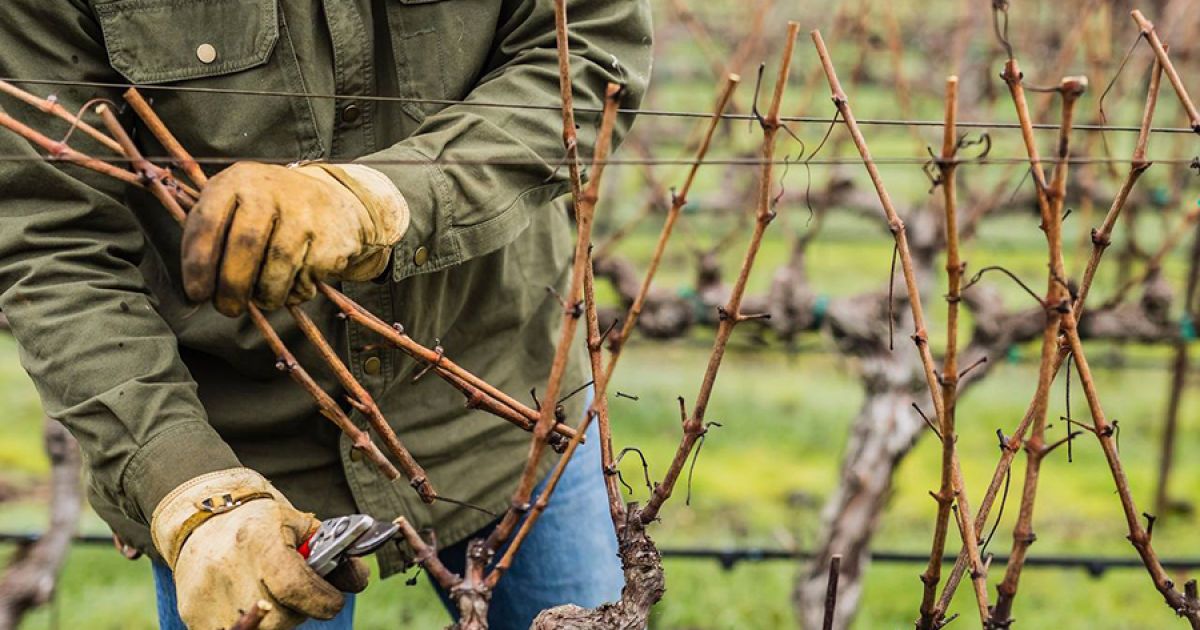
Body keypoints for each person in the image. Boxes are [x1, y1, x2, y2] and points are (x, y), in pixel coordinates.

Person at [0, 1, 652, 628]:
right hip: (239, 454)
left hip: (511, 396)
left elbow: (588, 49)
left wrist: (384, 200)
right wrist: (180, 481)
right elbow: (53, 236)